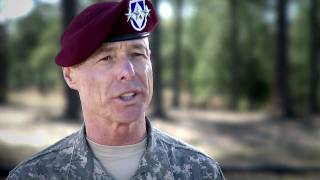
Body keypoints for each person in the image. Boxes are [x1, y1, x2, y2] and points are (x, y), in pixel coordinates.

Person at [7, 0, 224, 179]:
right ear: (70, 75)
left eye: (138, 54)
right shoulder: (35, 175)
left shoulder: (200, 171)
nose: (128, 72)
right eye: (106, 58)